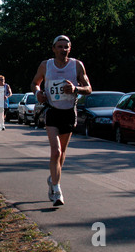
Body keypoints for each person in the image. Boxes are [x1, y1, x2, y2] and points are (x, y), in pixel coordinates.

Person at [30, 35, 92, 206]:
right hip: (52, 111)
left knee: (62, 152)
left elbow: (89, 88)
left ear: (70, 49)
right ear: (53, 48)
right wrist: (38, 93)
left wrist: (75, 88)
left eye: (66, 46)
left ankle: (52, 178)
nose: (63, 49)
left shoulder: (77, 65)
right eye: (59, 46)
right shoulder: (46, 65)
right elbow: (35, 83)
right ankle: (57, 190)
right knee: (55, 151)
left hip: (68, 112)